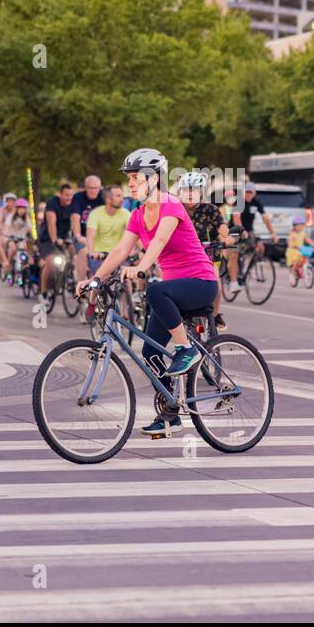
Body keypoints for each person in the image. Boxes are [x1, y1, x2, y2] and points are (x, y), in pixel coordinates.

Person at [81, 149, 219, 437]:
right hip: (175, 291)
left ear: (154, 178)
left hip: (200, 282)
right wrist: (94, 279)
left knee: (155, 290)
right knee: (149, 351)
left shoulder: (171, 204)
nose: (130, 184)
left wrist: (142, 267)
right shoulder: (138, 214)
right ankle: (170, 413)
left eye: (135, 178)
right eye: (128, 179)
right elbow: (120, 250)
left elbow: (159, 240)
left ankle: (187, 349)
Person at [177, 171, 234, 327]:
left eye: (194, 189)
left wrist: (227, 237)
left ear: (201, 191)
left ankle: (215, 315)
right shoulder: (175, 208)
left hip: (208, 254)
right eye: (186, 189)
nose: (190, 193)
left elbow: (222, 227)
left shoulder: (210, 209)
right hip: (183, 255)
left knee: (215, 282)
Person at [226, 183, 273, 284]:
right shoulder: (239, 201)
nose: (248, 194)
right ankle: (233, 282)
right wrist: (242, 230)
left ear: (254, 193)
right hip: (235, 230)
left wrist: (273, 233)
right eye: (247, 192)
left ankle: (251, 267)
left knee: (260, 247)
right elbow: (236, 217)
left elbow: (265, 219)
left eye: (250, 192)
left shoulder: (257, 203)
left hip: (249, 230)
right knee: (234, 254)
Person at [85, 183, 131, 276]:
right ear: (108, 199)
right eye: (118, 196)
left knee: (126, 278)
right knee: (98, 282)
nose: (122, 200)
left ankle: (133, 291)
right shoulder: (95, 213)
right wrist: (91, 252)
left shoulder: (126, 214)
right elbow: (90, 237)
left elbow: (133, 233)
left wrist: (142, 250)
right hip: (99, 256)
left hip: (118, 255)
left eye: (122, 196)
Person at [38, 181, 74, 296]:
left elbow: (75, 221)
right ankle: (43, 291)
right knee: (51, 262)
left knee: (74, 252)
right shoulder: (52, 203)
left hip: (64, 238)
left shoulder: (73, 205)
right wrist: (54, 239)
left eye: (70, 195)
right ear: (60, 195)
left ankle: (69, 275)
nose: (69, 197)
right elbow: (51, 223)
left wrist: (74, 237)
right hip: (48, 238)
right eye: (66, 195)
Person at [70, 175, 106, 285]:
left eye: (96, 188)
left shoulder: (104, 197)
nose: (93, 190)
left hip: (99, 236)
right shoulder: (78, 197)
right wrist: (77, 234)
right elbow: (75, 217)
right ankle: (80, 287)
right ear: (85, 187)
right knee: (82, 252)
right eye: (90, 188)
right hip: (82, 235)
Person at [285, 215, 314, 282]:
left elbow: (308, 240)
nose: (300, 227)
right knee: (295, 262)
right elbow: (290, 242)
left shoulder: (302, 233)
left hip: (301, 250)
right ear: (294, 226)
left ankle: (305, 269)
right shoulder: (292, 234)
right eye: (298, 225)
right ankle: (293, 273)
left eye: (302, 225)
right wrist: (294, 245)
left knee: (305, 257)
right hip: (293, 251)